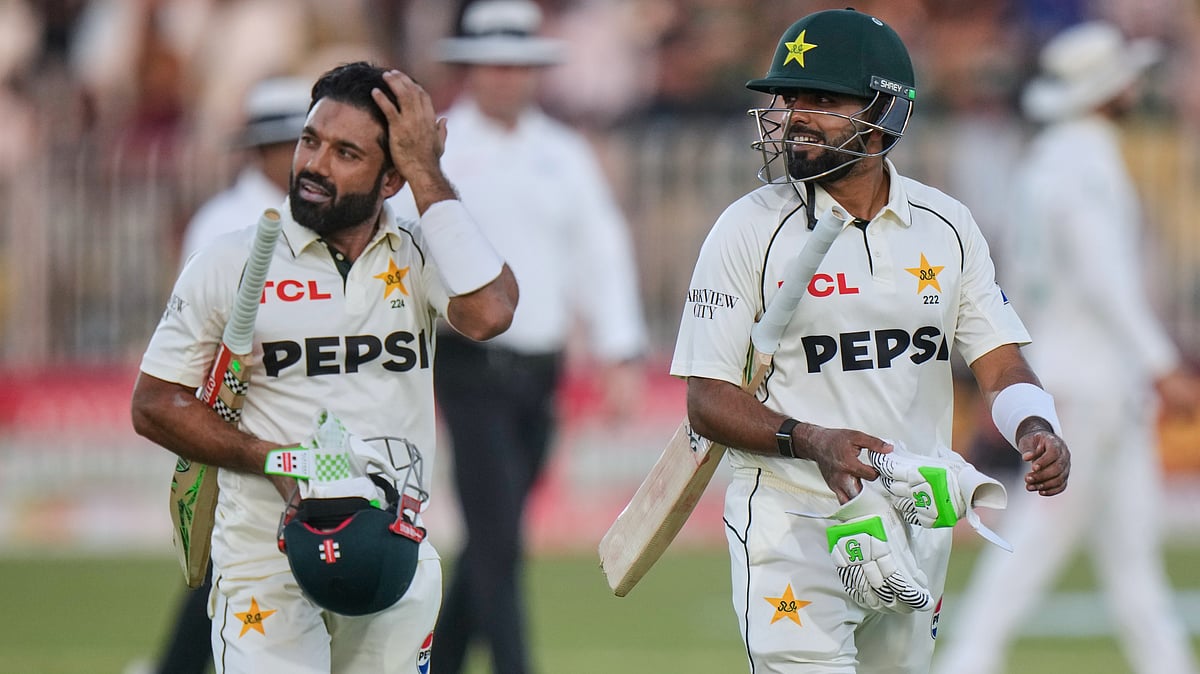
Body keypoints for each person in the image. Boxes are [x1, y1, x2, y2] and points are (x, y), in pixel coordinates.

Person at [668, 9, 1071, 673]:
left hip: (915, 516)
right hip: (791, 525)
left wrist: (1036, 425)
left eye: (822, 99)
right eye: (788, 98)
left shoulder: (946, 226)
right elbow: (707, 401)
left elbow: (1000, 361)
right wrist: (815, 441)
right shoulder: (747, 230)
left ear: (886, 111)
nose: (796, 115)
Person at [130, 61, 518, 673]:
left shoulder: (420, 254)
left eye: (345, 153)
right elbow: (154, 403)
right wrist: (274, 461)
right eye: (310, 141)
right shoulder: (229, 261)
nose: (313, 164)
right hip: (265, 565)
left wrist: (426, 170)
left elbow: (491, 311)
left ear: (389, 180)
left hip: (394, 549)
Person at [931, 21, 1200, 674]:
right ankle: (965, 662)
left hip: (1084, 375)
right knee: (1044, 534)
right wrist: (1164, 365)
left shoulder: (1051, 158)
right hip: (1091, 381)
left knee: (1130, 553)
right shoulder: (1085, 163)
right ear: (1109, 91)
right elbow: (1104, 276)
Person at [388, 2, 647, 672]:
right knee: (499, 540)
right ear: (471, 68)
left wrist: (619, 350)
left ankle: (439, 662)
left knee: (491, 539)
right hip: (469, 365)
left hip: (542, 370)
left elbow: (600, 250)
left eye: (518, 65)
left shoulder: (562, 154)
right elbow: (400, 249)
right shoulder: (439, 150)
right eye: (494, 65)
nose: (506, 78)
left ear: (535, 72)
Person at [136, 75, 312, 674]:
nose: (296, 157)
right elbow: (190, 328)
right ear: (260, 149)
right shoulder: (221, 222)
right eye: (286, 142)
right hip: (227, 412)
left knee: (259, 557)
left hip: (295, 414)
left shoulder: (318, 219)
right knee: (230, 554)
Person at [179, 76, 312, 262]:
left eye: (313, 145)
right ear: (263, 150)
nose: (310, 158)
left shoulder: (329, 213)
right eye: (294, 146)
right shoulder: (222, 224)